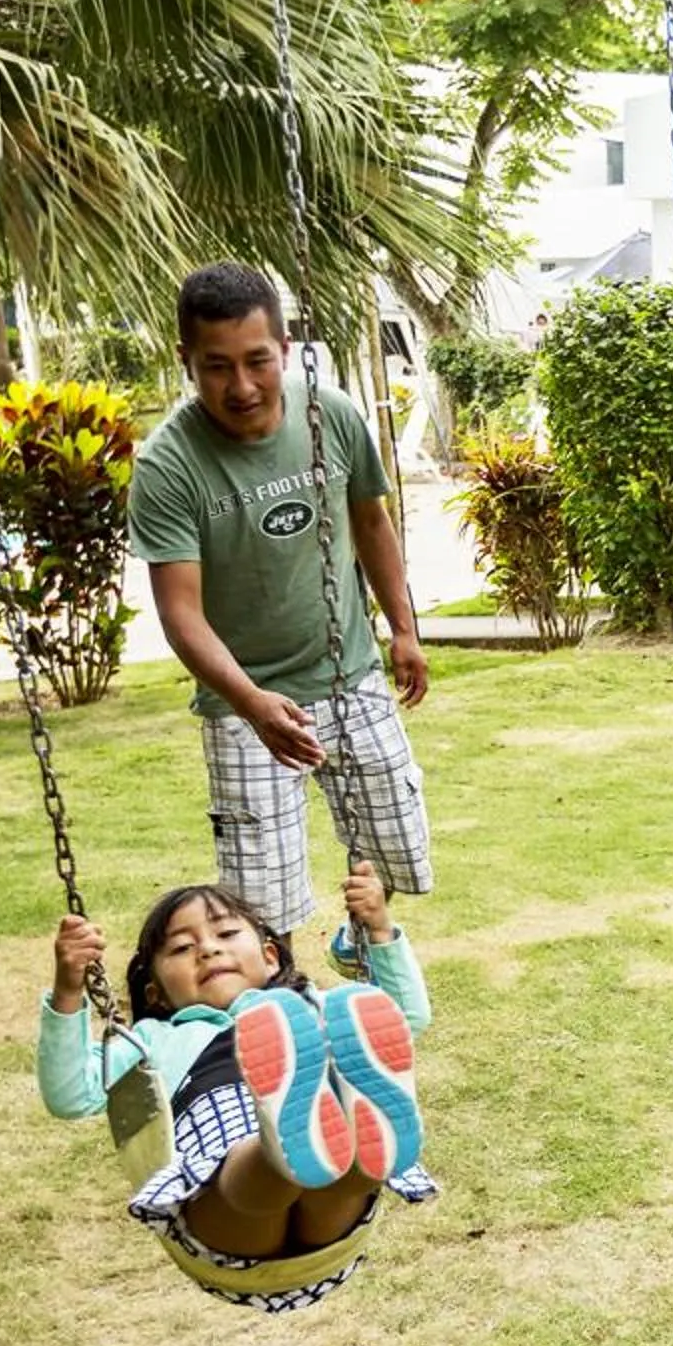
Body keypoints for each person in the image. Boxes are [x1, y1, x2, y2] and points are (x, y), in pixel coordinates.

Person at [132, 261, 433, 950]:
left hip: (349, 672)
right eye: (217, 367)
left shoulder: (333, 415)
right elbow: (181, 614)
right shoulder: (168, 465)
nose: (241, 387)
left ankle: (363, 943)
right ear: (187, 361)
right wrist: (250, 702)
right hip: (245, 699)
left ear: (286, 349)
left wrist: (403, 629)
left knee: (394, 842)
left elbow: (372, 524)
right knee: (261, 897)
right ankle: (284, 996)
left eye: (258, 361)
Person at [38, 863, 429, 1312]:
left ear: (270, 956)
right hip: (220, 1229)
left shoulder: (306, 1008)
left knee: (339, 1174)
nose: (206, 949)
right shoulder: (151, 1038)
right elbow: (70, 1095)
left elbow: (402, 1016)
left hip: (329, 1232)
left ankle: (361, 1143)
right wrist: (68, 991)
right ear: (157, 994)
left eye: (225, 934)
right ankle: (289, 1141)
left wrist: (378, 929)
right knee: (252, 1172)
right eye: (182, 947)